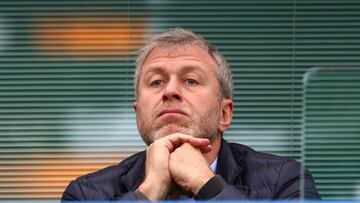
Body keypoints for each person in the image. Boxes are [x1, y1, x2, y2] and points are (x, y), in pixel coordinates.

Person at [62, 28, 320, 201]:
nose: (170, 90)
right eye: (156, 82)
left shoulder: (284, 180)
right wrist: (148, 191)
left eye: (191, 80)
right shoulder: (87, 194)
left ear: (224, 114)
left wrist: (207, 185)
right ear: (138, 113)